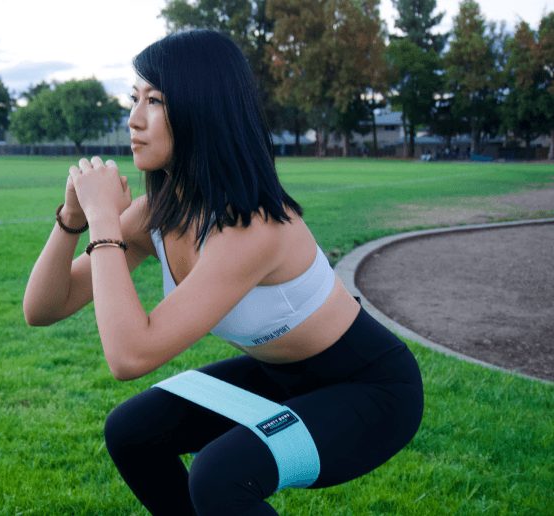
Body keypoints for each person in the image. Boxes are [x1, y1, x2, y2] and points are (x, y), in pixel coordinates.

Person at [23, 30, 423, 515]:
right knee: (132, 432)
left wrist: (105, 220)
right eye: (134, 98)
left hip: (370, 390)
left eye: (155, 101)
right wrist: (71, 221)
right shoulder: (160, 212)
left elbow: (129, 355)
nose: (133, 119)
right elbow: (43, 309)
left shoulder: (254, 227)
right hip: (277, 375)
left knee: (221, 476)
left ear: (202, 110)